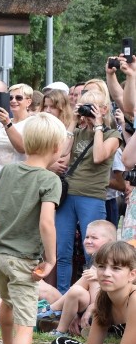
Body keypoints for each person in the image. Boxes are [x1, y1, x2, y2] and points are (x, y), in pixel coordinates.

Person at [0, 112, 65, 344]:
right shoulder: (50, 180)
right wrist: (51, 258)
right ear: (57, 148)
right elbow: (46, 222)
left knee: (6, 301)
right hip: (22, 260)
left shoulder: (7, 171)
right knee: (26, 320)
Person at [44, 241, 136, 344]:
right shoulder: (103, 297)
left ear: (132, 275)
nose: (106, 273)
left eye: (116, 268)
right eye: (101, 266)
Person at [54, 89, 121, 294]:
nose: (87, 111)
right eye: (84, 106)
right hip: (68, 195)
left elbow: (99, 157)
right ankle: (63, 297)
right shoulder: (78, 131)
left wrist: (99, 126)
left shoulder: (112, 134)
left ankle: (94, 298)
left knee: (93, 252)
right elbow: (60, 153)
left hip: (91, 196)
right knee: (62, 251)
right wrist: (73, 122)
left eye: (91, 107)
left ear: (103, 109)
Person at [40, 220, 117, 336]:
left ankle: (54, 308)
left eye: (94, 238)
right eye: (87, 237)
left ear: (109, 242)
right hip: (92, 306)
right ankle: (60, 331)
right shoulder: (96, 258)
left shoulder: (115, 260)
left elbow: (120, 288)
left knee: (90, 276)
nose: (88, 241)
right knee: (77, 291)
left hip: (106, 309)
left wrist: (92, 307)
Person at [0, 83, 36, 182]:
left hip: (17, 177)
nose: (13, 101)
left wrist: (7, 124)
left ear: (28, 102)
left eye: (19, 98)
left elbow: (22, 148)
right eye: (10, 98)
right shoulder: (4, 122)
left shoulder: (33, 122)